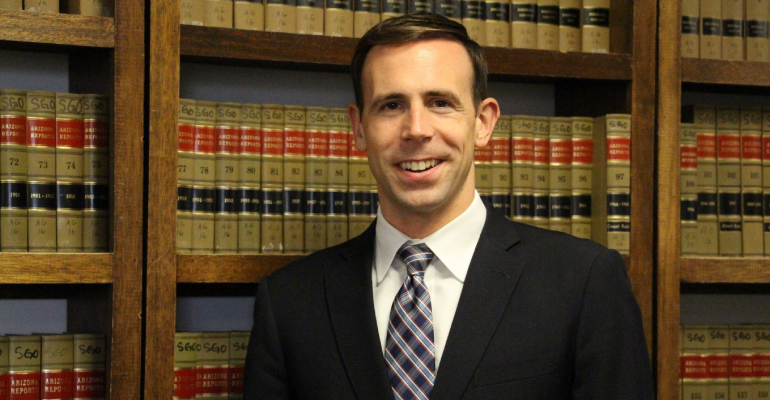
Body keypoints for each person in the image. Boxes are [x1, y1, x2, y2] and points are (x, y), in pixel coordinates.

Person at [244, 12, 654, 400]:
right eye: (391, 105)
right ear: (359, 127)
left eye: (440, 102)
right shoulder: (289, 303)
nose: (416, 130)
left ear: (483, 123)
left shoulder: (584, 283)